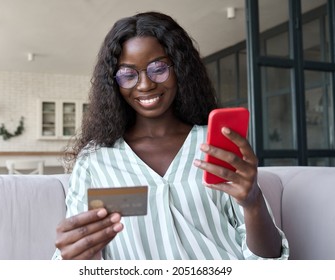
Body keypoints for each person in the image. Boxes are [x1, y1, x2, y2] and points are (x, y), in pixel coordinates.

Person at [53, 11, 289, 260]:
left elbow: (268, 260)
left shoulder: (216, 143)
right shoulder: (95, 160)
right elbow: (77, 253)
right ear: (114, 83)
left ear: (180, 69)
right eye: (128, 75)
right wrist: (73, 256)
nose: (145, 85)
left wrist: (253, 202)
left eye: (158, 68)